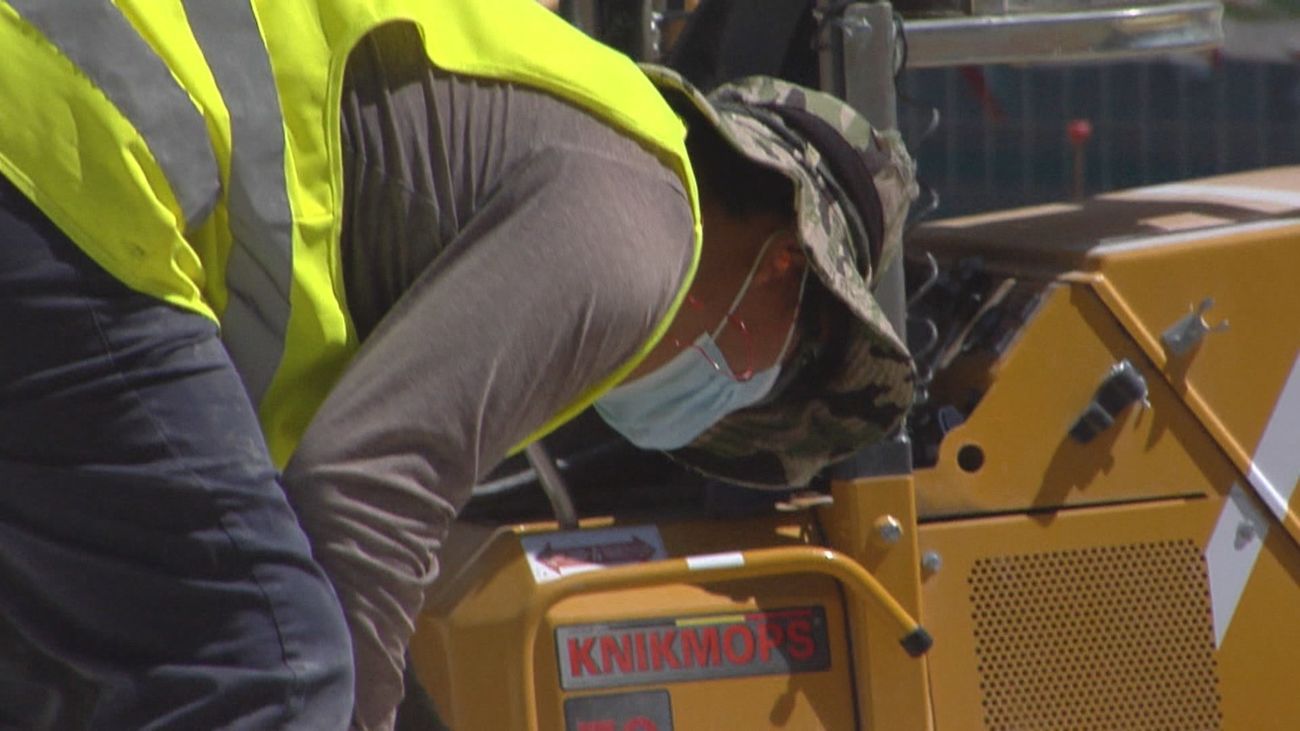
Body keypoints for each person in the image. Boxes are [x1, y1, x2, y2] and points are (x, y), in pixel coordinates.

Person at [0, 1, 916, 729]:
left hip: (56, 140)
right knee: (268, 663)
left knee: (58, 677)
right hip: (74, 156)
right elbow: (357, 494)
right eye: (794, 360)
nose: (752, 394)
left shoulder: (578, 127)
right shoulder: (645, 232)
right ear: (786, 268)